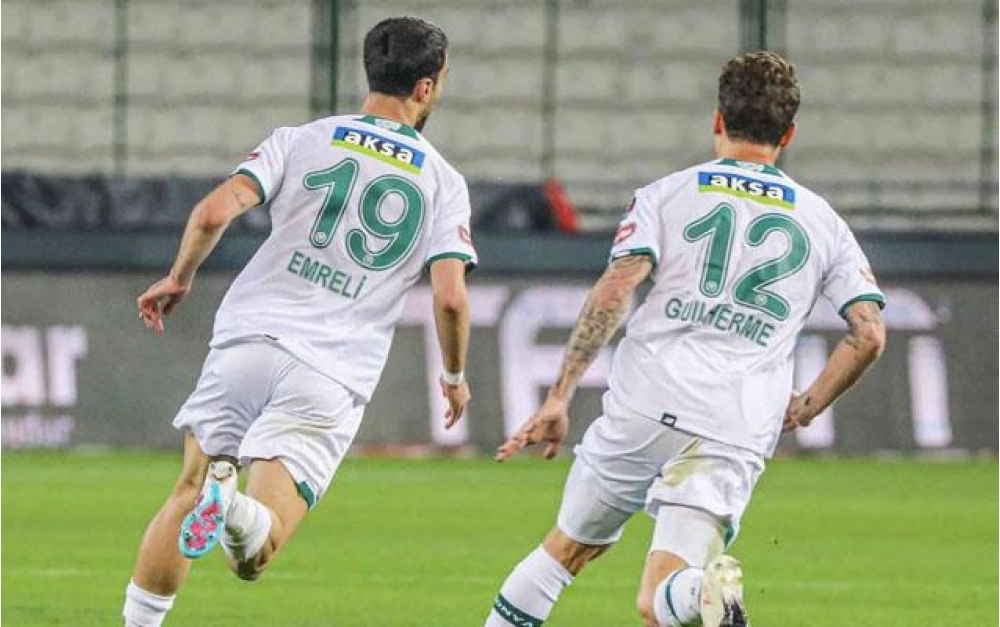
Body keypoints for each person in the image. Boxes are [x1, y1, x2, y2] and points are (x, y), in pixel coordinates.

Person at [485, 51, 887, 627]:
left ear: (718, 120)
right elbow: (869, 333)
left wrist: (559, 395)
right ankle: (704, 592)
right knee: (663, 600)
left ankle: (700, 595)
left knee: (564, 553)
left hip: (646, 403)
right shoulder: (824, 222)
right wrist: (807, 405)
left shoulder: (666, 194)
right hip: (734, 422)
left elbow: (616, 288)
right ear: (789, 135)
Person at [122, 17, 476, 627]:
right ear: (426, 87)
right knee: (255, 555)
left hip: (247, 341)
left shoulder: (302, 138)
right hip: (329, 372)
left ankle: (177, 558)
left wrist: (179, 277)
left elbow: (213, 212)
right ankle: (231, 507)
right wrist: (453, 374)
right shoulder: (443, 182)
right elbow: (449, 298)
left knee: (186, 490)